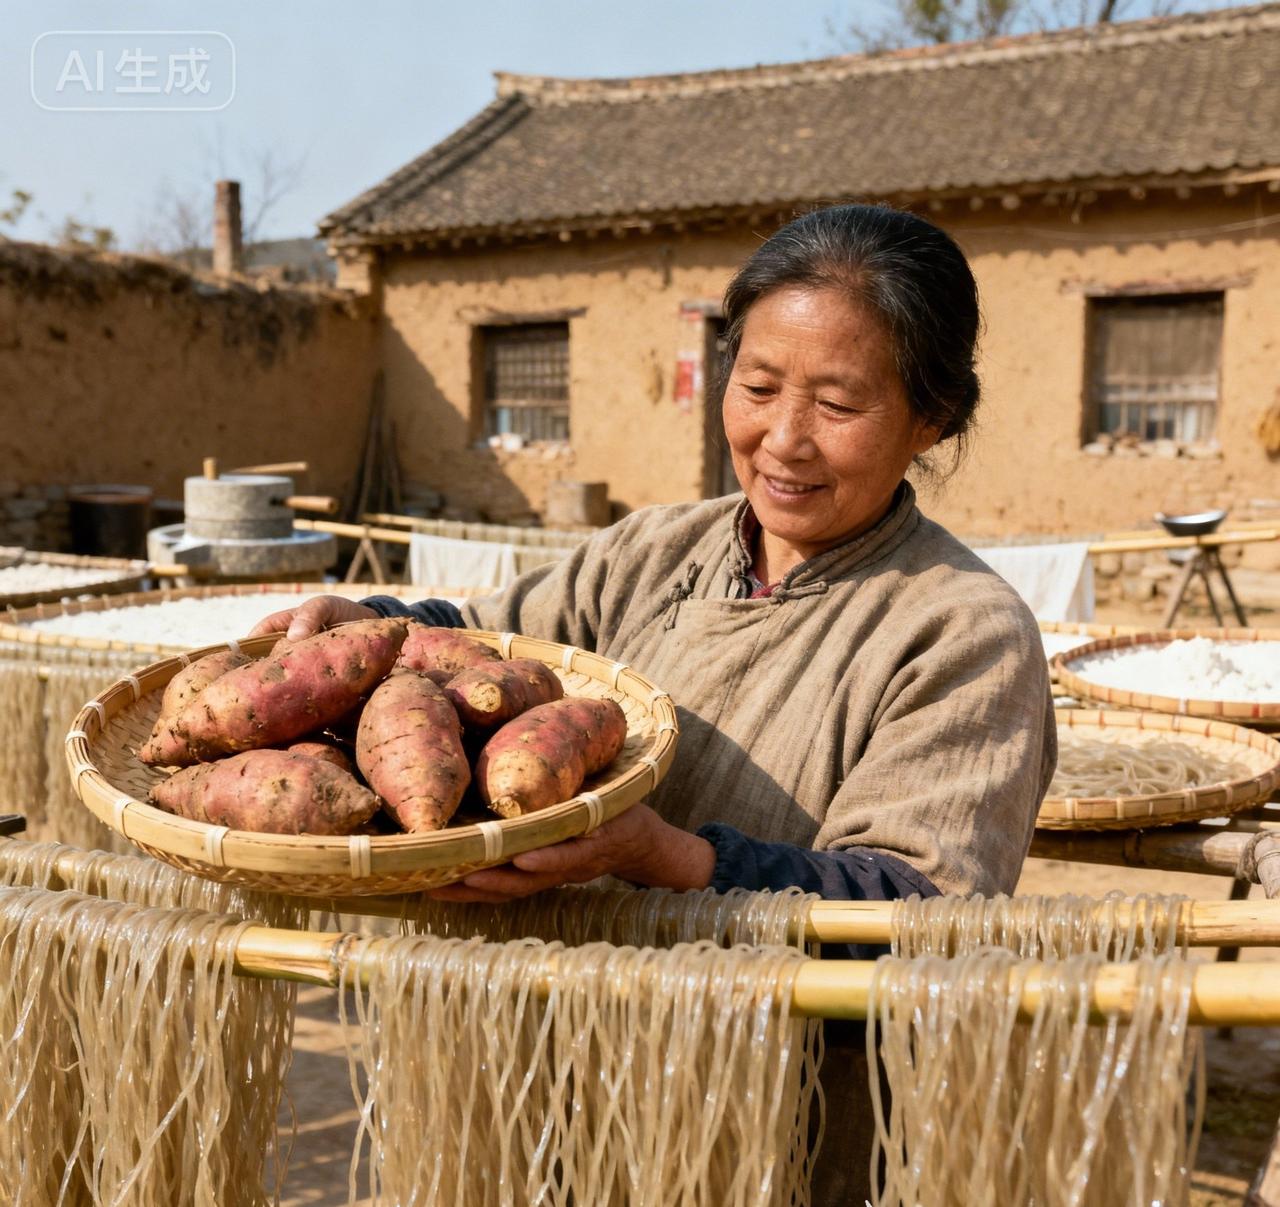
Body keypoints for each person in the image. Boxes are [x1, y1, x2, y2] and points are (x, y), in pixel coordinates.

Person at [251, 203, 1055, 1201]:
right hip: (535, 1079)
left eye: (838, 405)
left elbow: (925, 923)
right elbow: (492, 641)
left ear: (932, 416)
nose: (782, 440)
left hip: (758, 1126)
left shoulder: (962, 631)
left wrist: (669, 859)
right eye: (755, 386)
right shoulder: (656, 550)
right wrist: (367, 616)